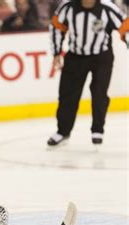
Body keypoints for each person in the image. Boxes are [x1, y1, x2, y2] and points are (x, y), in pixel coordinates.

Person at [47, 0, 129, 147]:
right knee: (67, 95)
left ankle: (97, 130)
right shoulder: (68, 6)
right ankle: (63, 131)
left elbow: (126, 26)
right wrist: (56, 52)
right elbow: (56, 26)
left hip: (101, 57)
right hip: (75, 56)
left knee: (99, 93)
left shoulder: (107, 7)